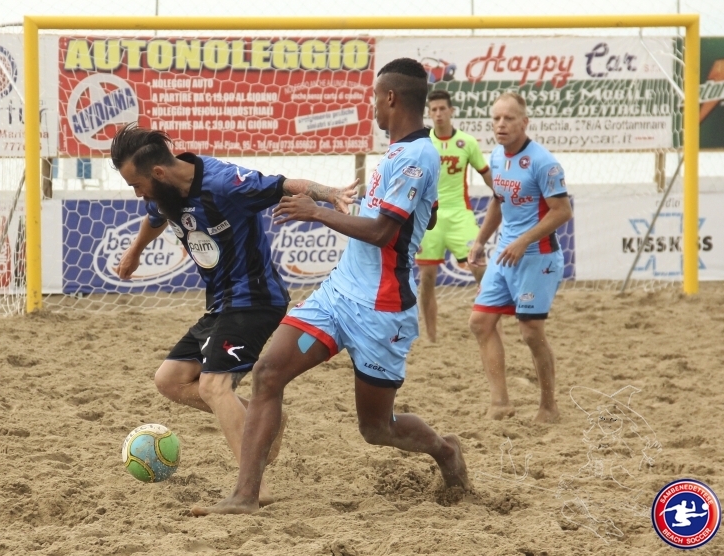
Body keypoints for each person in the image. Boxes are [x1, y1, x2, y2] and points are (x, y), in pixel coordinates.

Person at [191, 58, 470, 516]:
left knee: (376, 429)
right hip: (338, 295)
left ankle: (445, 450)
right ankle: (245, 495)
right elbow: (423, 216)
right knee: (267, 373)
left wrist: (316, 211)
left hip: (381, 309)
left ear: (390, 98)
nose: (372, 107)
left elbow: (382, 232)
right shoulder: (399, 153)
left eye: (375, 97)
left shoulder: (418, 155)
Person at [110, 124, 356, 504]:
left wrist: (331, 193)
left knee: (213, 386)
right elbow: (154, 217)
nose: (138, 193)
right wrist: (134, 252)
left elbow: (285, 184)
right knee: (169, 380)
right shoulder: (163, 193)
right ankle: (267, 418)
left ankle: (253, 490)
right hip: (220, 303)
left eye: (137, 185)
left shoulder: (224, 183)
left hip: (255, 299)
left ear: (158, 173)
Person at [466, 92, 573, 424]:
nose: (501, 124)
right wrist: (480, 241)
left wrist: (524, 240)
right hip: (505, 254)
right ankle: (500, 403)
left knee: (530, 332)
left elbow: (562, 211)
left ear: (524, 122)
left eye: (508, 118)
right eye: (496, 118)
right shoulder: (497, 156)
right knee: (480, 322)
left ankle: (549, 407)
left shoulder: (543, 162)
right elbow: (498, 201)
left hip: (538, 257)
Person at [415, 89, 494, 342]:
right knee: (427, 278)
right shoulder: (423, 141)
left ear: (451, 111)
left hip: (461, 215)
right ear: (429, 113)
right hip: (430, 218)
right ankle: (431, 338)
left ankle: (492, 326)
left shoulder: (467, 142)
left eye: (442, 109)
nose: (438, 114)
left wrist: (505, 196)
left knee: (481, 269)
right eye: (434, 109)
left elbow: (486, 174)